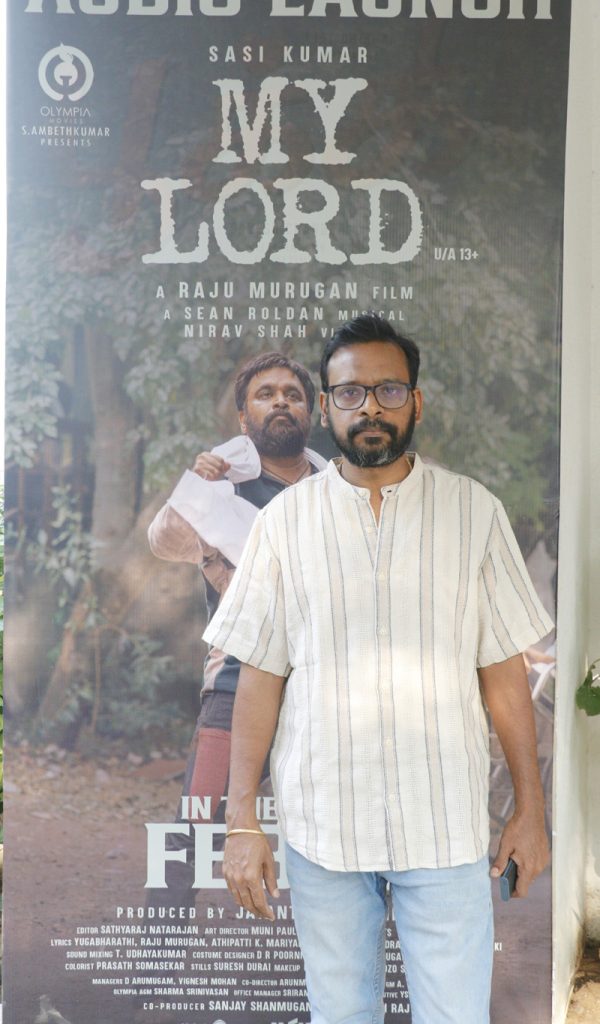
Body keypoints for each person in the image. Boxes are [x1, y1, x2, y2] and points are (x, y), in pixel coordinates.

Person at [203, 314, 553, 1024]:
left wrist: (530, 808)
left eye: (388, 390)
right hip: (323, 828)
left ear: (415, 402)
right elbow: (260, 676)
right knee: (340, 1016)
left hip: (443, 826)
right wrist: (241, 821)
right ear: (326, 406)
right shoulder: (284, 524)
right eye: (350, 392)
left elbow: (504, 674)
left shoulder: (473, 512)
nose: (369, 408)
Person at [145, 350, 326, 910]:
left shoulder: (336, 488)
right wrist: (197, 488)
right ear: (244, 417)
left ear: (312, 411)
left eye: (292, 394)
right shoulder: (225, 485)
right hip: (234, 682)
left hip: (324, 686)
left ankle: (340, 961)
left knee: (340, 836)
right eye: (265, 394)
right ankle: (152, 958)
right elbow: (163, 542)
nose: (281, 402)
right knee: (194, 831)